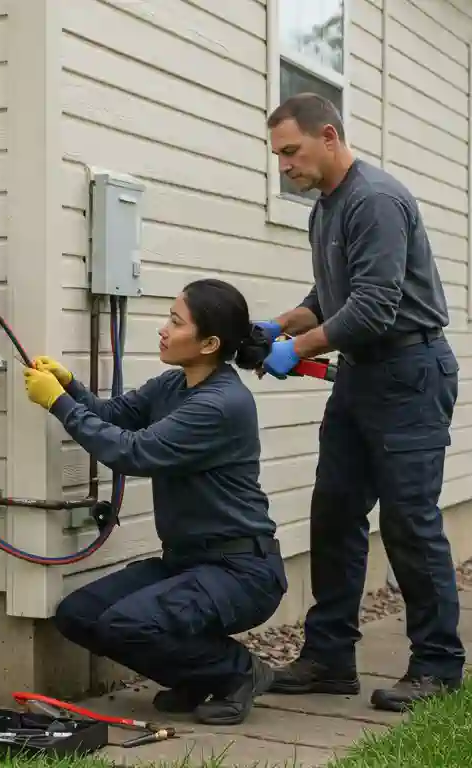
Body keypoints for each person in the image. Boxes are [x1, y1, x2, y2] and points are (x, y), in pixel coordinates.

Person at [256, 92, 463, 713]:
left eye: (290, 151)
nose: (284, 166)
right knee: (336, 511)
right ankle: (328, 659)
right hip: (361, 376)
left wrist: (298, 351)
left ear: (328, 135)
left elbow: (373, 306)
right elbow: (332, 294)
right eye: (277, 156)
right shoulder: (327, 206)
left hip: (409, 373)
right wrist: (281, 325)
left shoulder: (374, 200)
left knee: (409, 522)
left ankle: (437, 666)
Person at [22, 278, 288, 726]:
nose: (163, 329)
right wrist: (70, 388)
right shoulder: (174, 384)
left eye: (175, 321)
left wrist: (59, 406)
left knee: (127, 624)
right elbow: (114, 417)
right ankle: (195, 676)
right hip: (187, 563)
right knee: (79, 616)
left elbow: (133, 451)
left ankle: (238, 673)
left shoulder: (221, 404)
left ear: (209, 343)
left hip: (240, 570)